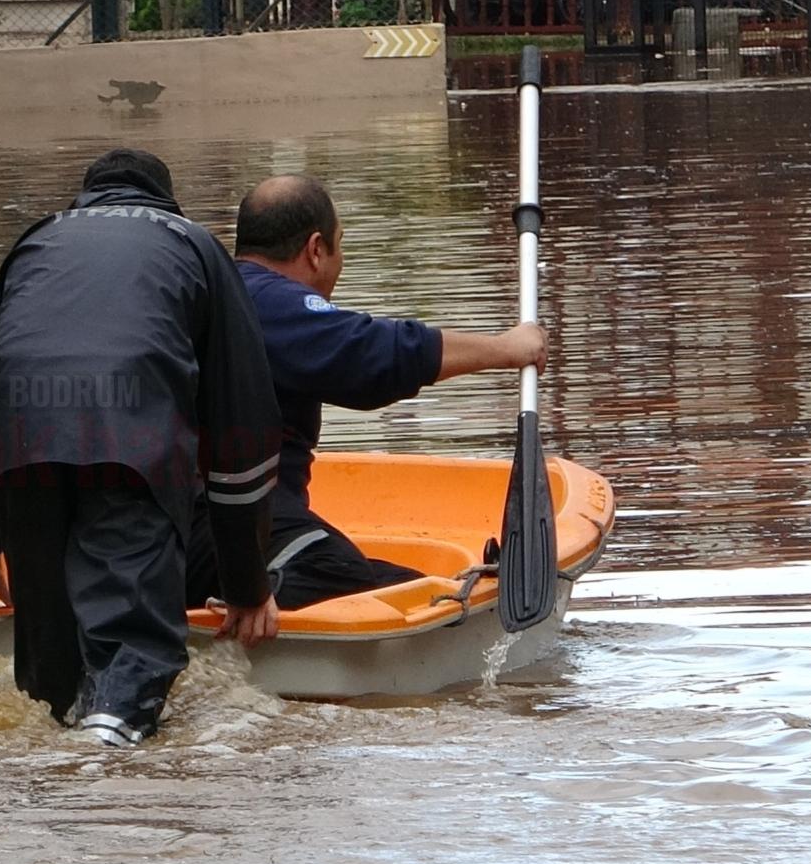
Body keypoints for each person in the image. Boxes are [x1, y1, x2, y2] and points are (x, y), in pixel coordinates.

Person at [0, 149, 282, 747]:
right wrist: (248, 587)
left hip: (18, 438)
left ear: (86, 196)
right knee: (134, 644)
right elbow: (241, 430)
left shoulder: (37, 240)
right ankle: (108, 769)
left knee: (50, 670)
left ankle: (54, 780)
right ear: (167, 201)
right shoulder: (193, 244)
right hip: (130, 436)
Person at [188, 174, 545, 611]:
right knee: (342, 575)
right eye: (341, 245)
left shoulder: (207, 296)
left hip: (190, 523)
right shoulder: (267, 302)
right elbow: (371, 356)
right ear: (316, 249)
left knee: (412, 586)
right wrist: (507, 349)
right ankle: (250, 604)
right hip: (231, 523)